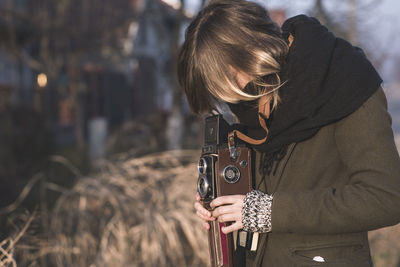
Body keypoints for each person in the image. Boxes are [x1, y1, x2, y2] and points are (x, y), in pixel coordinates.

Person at [177, 0, 400, 266]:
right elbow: (275, 185)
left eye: (226, 79)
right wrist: (223, 197)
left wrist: (270, 211)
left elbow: (386, 198)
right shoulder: (254, 95)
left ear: (249, 51)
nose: (230, 97)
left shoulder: (343, 80)